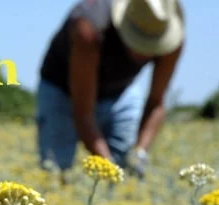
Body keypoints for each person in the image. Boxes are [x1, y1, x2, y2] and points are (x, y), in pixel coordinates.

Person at [36, 0, 185, 181]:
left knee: (125, 163)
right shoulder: (88, 28)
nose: (144, 55)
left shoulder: (170, 36)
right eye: (140, 43)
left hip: (120, 90)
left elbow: (156, 102)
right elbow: (83, 113)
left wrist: (139, 154)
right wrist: (109, 168)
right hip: (62, 89)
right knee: (56, 169)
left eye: (153, 45)